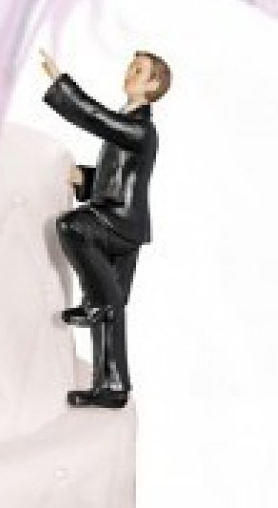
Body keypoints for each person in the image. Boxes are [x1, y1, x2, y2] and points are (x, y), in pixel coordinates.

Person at [40, 47, 171, 408]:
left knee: (73, 226)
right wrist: (84, 178)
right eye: (130, 66)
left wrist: (60, 82)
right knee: (112, 308)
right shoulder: (128, 123)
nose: (129, 71)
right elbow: (117, 176)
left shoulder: (140, 129)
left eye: (139, 70)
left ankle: (93, 304)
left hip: (119, 222)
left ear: (153, 85)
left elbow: (94, 117)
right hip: (120, 220)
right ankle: (112, 387)